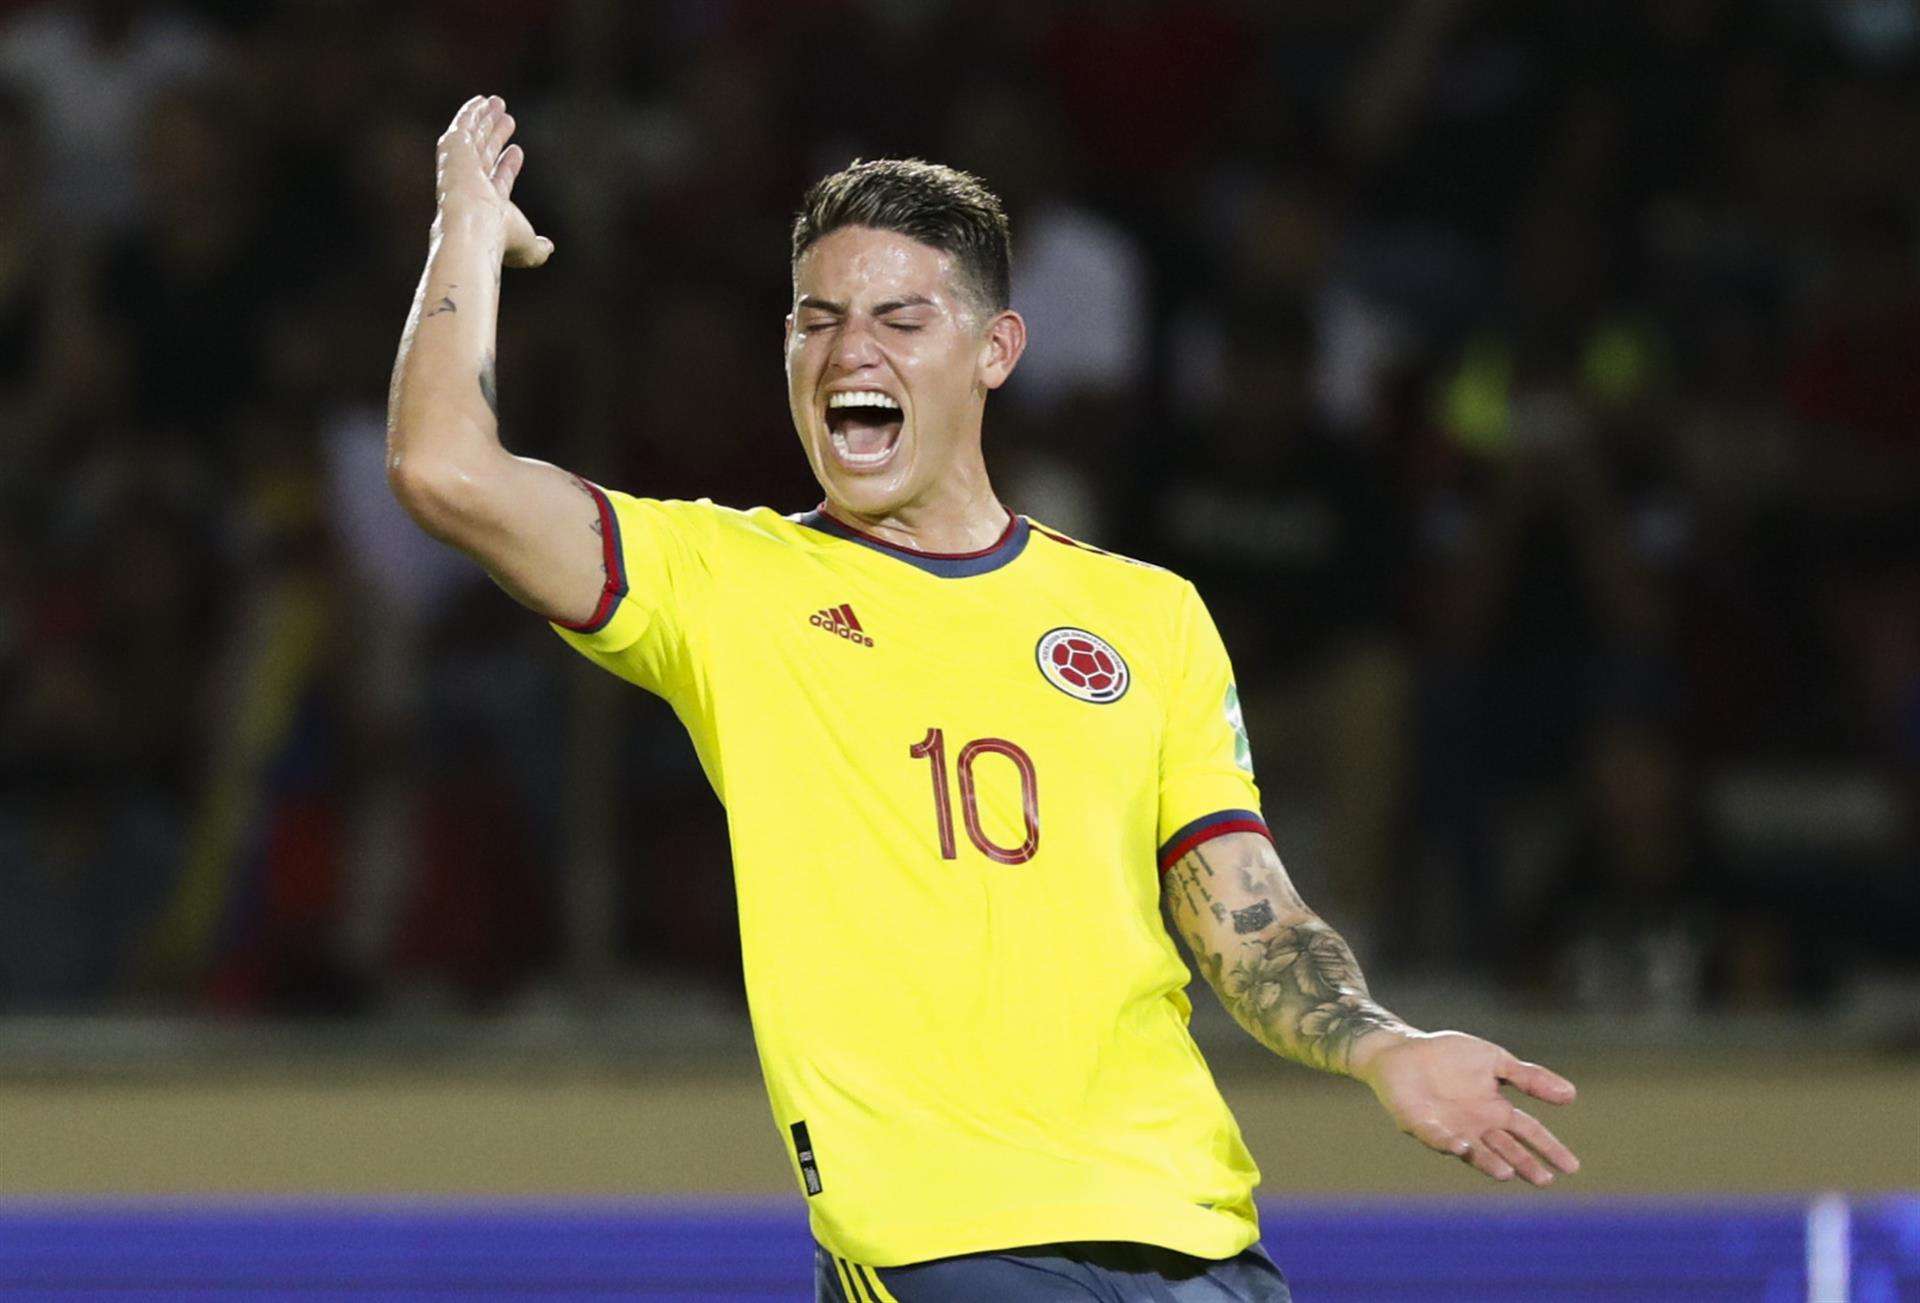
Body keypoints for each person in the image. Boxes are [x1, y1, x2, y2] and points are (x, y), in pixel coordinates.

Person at [387, 96, 1581, 1302]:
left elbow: (1245, 915)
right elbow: (443, 467)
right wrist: (467, 238)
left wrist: (1382, 1044)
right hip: (939, 1245)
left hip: (1194, 1234)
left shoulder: (1147, 615)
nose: (853, 351)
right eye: (819, 321)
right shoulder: (727, 583)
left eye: (901, 318)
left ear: (996, 351)